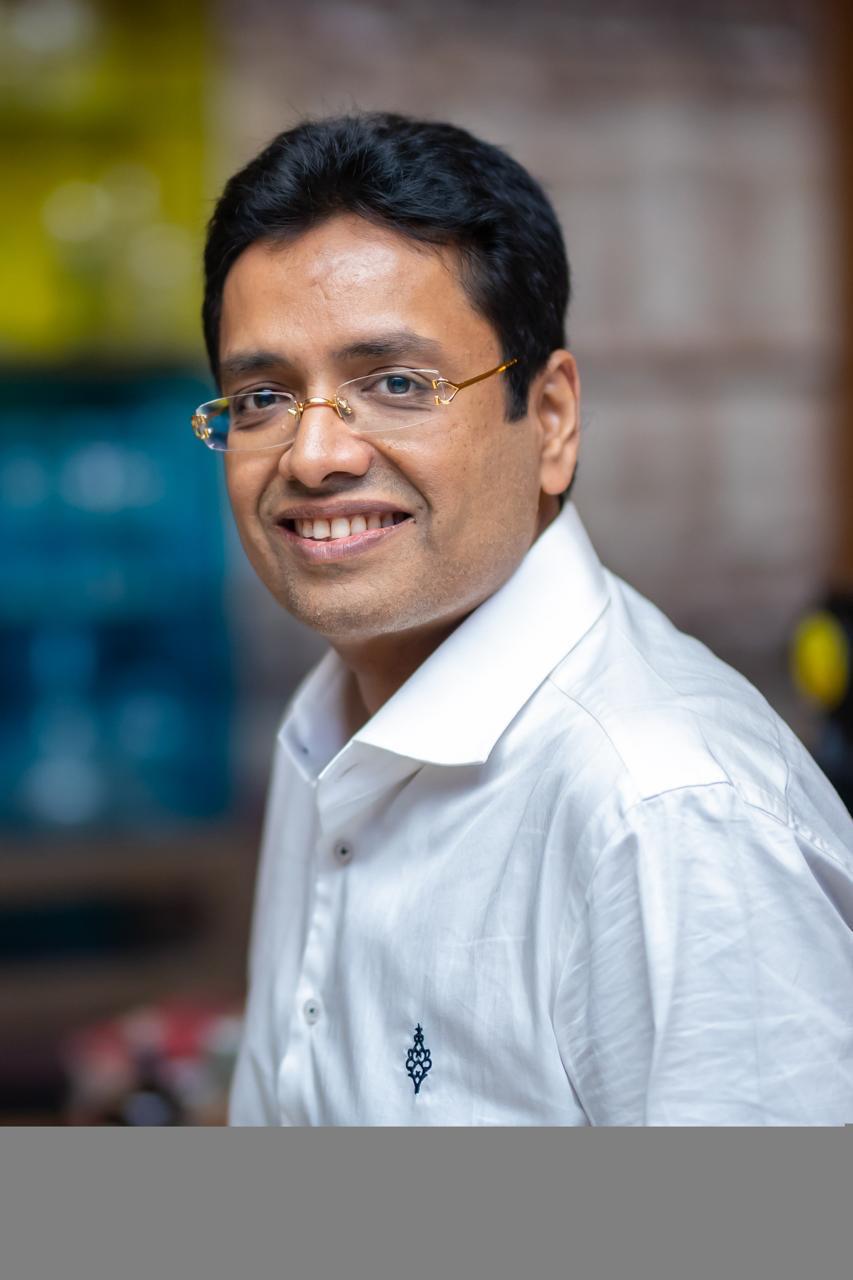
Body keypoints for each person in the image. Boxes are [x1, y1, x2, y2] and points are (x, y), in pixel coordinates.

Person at [194, 112, 853, 1125]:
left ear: (549, 421)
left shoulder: (665, 816)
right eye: (262, 398)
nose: (314, 456)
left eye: (396, 383)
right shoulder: (328, 730)